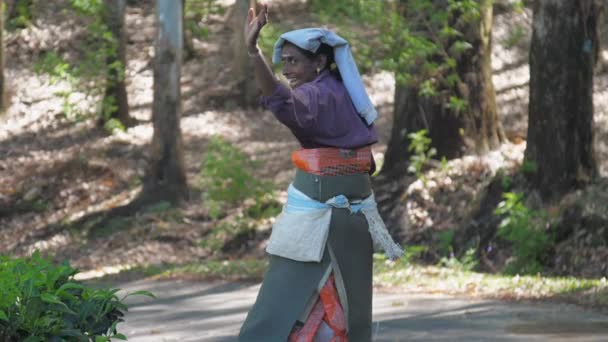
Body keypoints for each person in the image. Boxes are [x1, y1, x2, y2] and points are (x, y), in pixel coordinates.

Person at [238, 3, 402, 342]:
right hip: (350, 214)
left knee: (289, 304)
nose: (289, 70)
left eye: (295, 61)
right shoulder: (341, 92)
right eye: (285, 62)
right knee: (342, 299)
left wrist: (254, 53)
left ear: (321, 62)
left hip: (323, 216)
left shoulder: (318, 94)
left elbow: (283, 101)